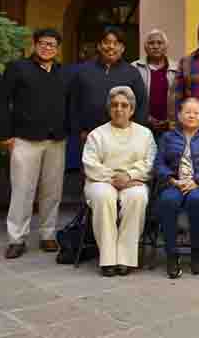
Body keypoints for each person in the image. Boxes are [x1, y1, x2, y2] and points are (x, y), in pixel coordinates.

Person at [0, 28, 69, 259]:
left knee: (52, 191)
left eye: (53, 45)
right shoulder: (18, 68)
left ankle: (48, 234)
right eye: (44, 43)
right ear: (35, 44)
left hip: (56, 140)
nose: (48, 48)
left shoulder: (61, 72)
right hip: (24, 138)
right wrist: (6, 134)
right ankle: (17, 238)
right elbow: (2, 101)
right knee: (22, 190)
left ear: (57, 49)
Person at [82, 86, 157, 277]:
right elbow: (90, 164)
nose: (119, 109)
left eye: (124, 105)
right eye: (114, 105)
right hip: (101, 181)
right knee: (103, 196)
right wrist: (114, 179)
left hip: (134, 182)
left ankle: (125, 258)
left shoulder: (145, 134)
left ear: (132, 110)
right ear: (109, 109)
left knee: (137, 197)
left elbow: (150, 162)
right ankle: (108, 259)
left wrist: (129, 176)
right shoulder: (97, 134)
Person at [154, 97, 199, 278]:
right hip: (175, 183)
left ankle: (196, 251)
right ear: (179, 115)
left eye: (196, 112)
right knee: (168, 200)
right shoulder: (167, 137)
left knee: (197, 199)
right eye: (187, 112)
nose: (192, 115)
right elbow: (159, 163)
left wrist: (198, 180)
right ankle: (171, 254)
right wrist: (171, 179)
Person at [70, 27, 148, 143]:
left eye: (116, 43)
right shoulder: (84, 71)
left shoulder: (132, 73)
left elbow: (142, 104)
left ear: (122, 48)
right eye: (106, 42)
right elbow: (74, 103)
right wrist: (79, 130)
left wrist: (135, 131)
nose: (111, 47)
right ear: (99, 46)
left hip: (123, 136)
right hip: (90, 136)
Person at [132, 29, 179, 137]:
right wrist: (146, 117)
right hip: (142, 128)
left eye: (159, 43)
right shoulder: (135, 68)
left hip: (170, 129)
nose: (155, 46)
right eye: (151, 43)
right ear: (145, 47)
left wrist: (170, 120)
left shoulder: (177, 69)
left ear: (166, 47)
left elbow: (181, 98)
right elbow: (131, 98)